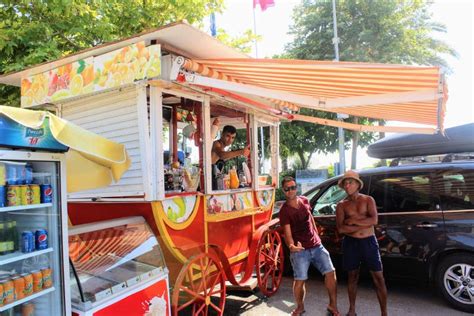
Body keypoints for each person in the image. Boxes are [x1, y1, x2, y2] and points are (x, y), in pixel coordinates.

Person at [279, 176, 340, 316]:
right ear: (283, 190)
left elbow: (310, 216)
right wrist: (291, 246)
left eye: (293, 187)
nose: (291, 191)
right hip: (300, 250)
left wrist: (316, 233)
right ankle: (300, 307)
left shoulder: (305, 200)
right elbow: (287, 232)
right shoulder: (285, 211)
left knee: (330, 272)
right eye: (287, 189)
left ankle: (333, 305)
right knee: (299, 280)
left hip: (316, 245)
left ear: (296, 188)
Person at [335, 170, 388, 316]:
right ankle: (352, 309)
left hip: (369, 242)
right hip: (351, 243)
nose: (347, 185)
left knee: (378, 277)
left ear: (358, 184)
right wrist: (362, 225)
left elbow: (374, 220)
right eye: (345, 183)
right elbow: (341, 229)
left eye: (350, 182)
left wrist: (353, 222)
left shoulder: (368, 200)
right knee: (352, 276)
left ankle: (384, 313)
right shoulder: (341, 205)